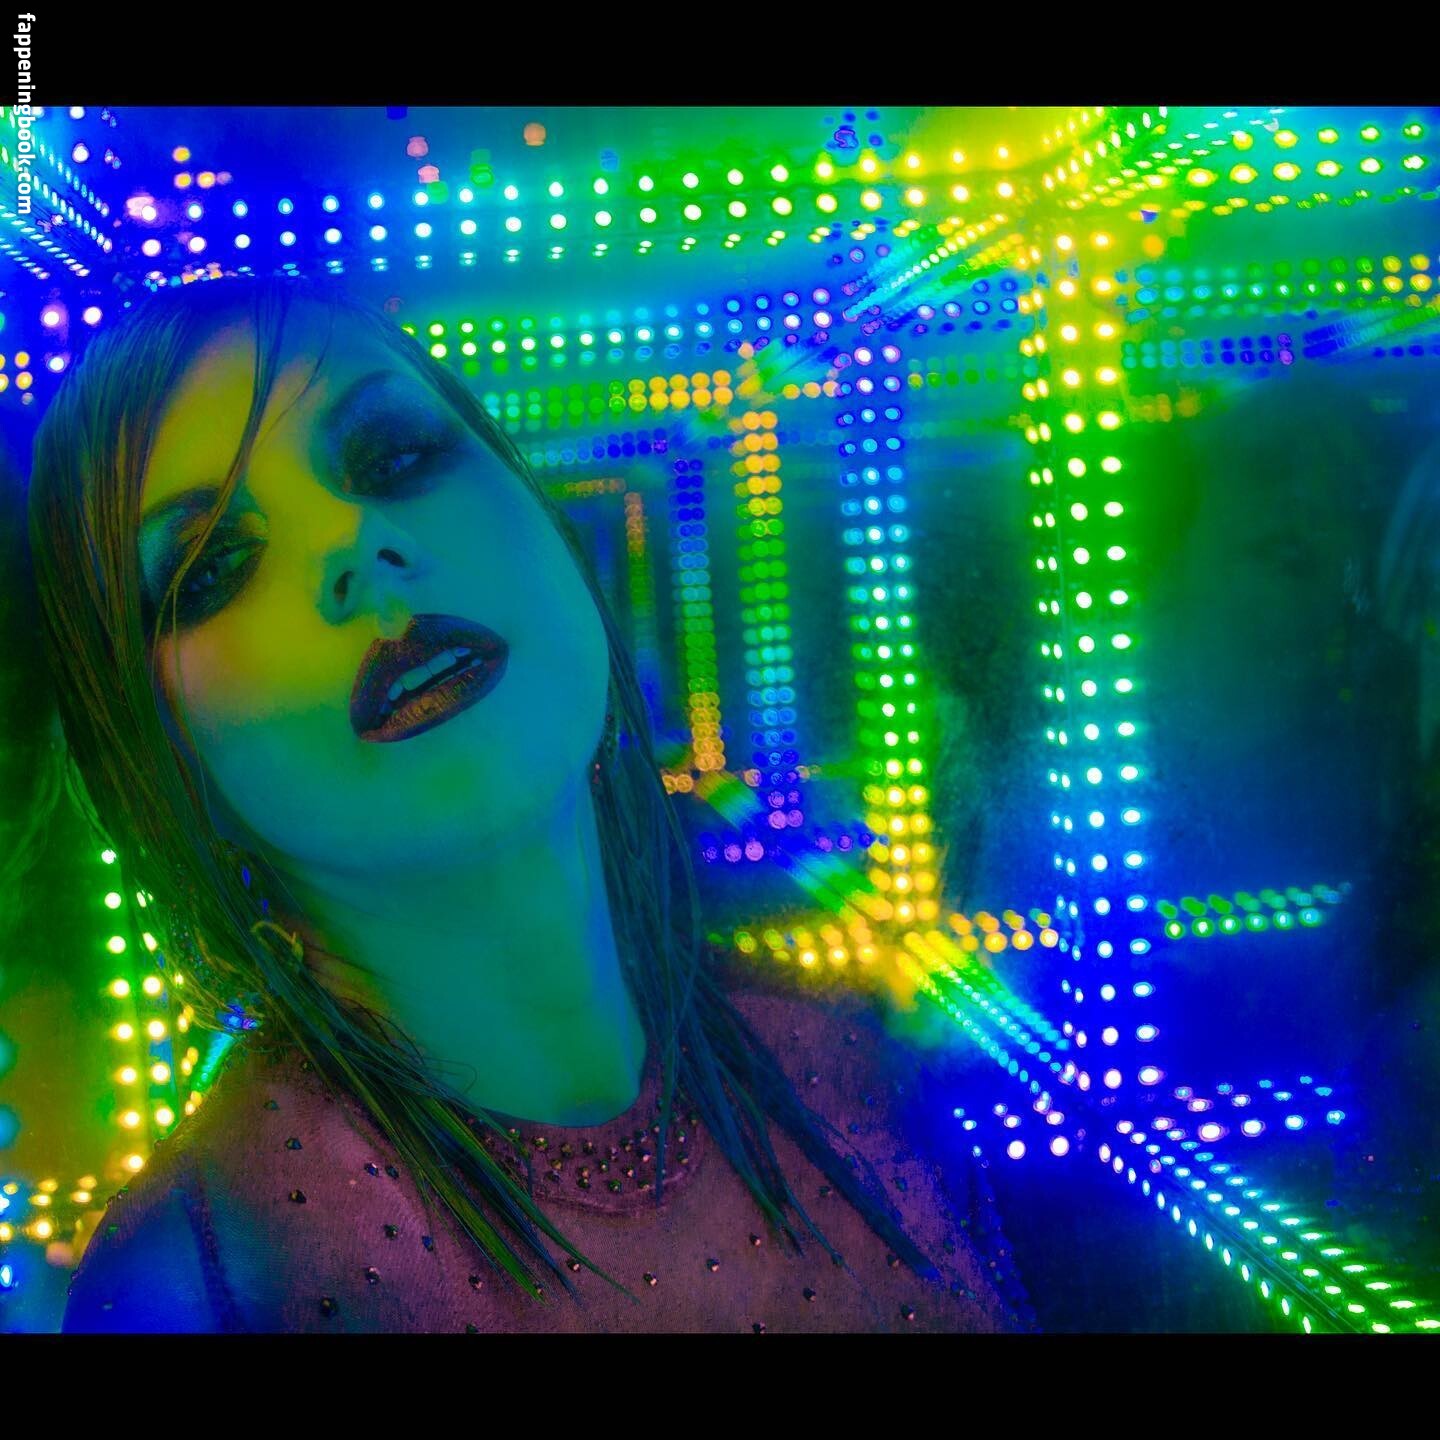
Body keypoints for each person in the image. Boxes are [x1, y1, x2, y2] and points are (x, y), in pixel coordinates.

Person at [8, 274, 1022, 1333]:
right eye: (215, 565)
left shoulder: (861, 1075)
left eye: (396, 457)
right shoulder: (202, 1278)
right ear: (148, 754)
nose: (355, 543)